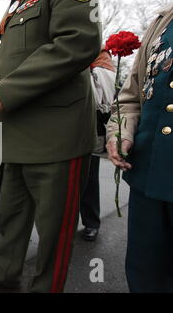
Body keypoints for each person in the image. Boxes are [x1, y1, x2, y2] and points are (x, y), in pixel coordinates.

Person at [0, 0, 101, 293]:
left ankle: (47, 286)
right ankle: (4, 272)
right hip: (16, 134)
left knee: (55, 229)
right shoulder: (18, 4)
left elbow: (79, 41)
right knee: (11, 215)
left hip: (56, 135)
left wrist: (8, 90)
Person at [106, 4, 173, 293]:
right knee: (144, 275)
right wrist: (120, 131)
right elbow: (132, 97)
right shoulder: (162, 20)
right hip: (147, 175)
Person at [80, 48, 116, 241]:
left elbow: (106, 92)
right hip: (61, 122)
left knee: (88, 177)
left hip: (90, 123)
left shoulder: (99, 52)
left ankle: (91, 222)